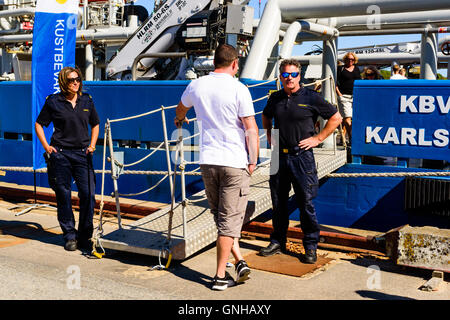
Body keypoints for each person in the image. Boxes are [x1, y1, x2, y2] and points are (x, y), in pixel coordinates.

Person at [175, 44, 259, 291]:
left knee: (222, 218)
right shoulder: (239, 89)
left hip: (208, 161)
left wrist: (180, 120)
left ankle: (240, 260)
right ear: (234, 64)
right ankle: (220, 276)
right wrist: (253, 159)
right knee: (228, 221)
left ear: (214, 62)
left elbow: (181, 109)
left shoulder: (197, 85)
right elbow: (251, 128)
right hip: (234, 162)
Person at [259, 59, 342, 264]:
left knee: (306, 203)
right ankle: (278, 241)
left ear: (300, 76)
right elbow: (266, 116)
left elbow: (336, 117)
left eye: (294, 74)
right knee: (278, 203)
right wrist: (270, 135)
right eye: (286, 75)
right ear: (280, 77)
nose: (290, 79)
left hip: (301, 157)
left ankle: (310, 246)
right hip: (279, 156)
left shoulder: (311, 97)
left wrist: (318, 138)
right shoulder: (275, 98)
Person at [35, 66, 100, 252]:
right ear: (64, 82)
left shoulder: (86, 100)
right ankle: (70, 236)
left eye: (78, 79)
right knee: (63, 195)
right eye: (72, 80)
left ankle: (85, 235)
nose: (76, 83)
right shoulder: (53, 101)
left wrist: (92, 145)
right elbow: (39, 124)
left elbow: (95, 124)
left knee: (88, 194)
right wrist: (47, 147)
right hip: (61, 154)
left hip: (82, 154)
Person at [336, 52, 361, 144]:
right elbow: (335, 83)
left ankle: (348, 138)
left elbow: (359, 82)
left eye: (352, 59)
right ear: (345, 60)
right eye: (348, 59)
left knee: (353, 118)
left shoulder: (357, 69)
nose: (350, 61)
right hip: (344, 97)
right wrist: (339, 94)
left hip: (355, 96)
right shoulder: (340, 69)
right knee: (347, 118)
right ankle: (352, 138)